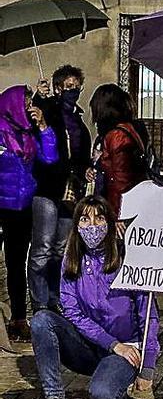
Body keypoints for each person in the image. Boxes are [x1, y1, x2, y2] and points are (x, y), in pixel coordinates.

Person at [31, 195, 158, 399]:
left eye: (99, 219)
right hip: (90, 346)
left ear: (110, 223)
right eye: (85, 219)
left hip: (126, 349)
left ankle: (116, 386)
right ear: (77, 225)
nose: (92, 226)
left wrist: (148, 364)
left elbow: (147, 313)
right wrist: (111, 344)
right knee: (41, 320)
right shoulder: (71, 260)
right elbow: (72, 312)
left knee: (103, 395)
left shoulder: (127, 259)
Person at [29, 65, 92, 315]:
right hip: (46, 189)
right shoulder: (50, 110)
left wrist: (87, 168)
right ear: (58, 88)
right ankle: (39, 300)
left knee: (60, 249)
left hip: (71, 190)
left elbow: (81, 155)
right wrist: (38, 96)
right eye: (68, 87)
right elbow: (34, 122)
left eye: (76, 87)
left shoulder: (78, 120)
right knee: (42, 248)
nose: (73, 91)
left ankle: (54, 298)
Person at [0, 85, 59, 341]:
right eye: (24, 101)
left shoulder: (27, 134)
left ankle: (18, 318)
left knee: (16, 262)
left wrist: (44, 127)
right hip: (1, 204)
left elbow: (50, 158)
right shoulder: (0, 132)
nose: (28, 106)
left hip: (21, 207)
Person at [89, 84, 149, 217]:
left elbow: (121, 179)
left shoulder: (117, 135)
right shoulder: (127, 129)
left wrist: (119, 214)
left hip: (120, 206)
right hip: (129, 201)